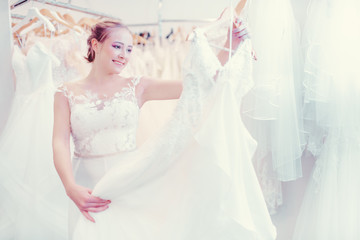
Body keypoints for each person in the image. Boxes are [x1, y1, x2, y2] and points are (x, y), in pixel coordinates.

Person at [53, 18, 271, 240]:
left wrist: (229, 47)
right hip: (85, 186)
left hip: (129, 181)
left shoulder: (139, 86)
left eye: (129, 49)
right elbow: (59, 142)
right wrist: (70, 187)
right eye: (117, 46)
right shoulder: (66, 92)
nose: (123, 55)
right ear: (95, 45)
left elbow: (199, 84)